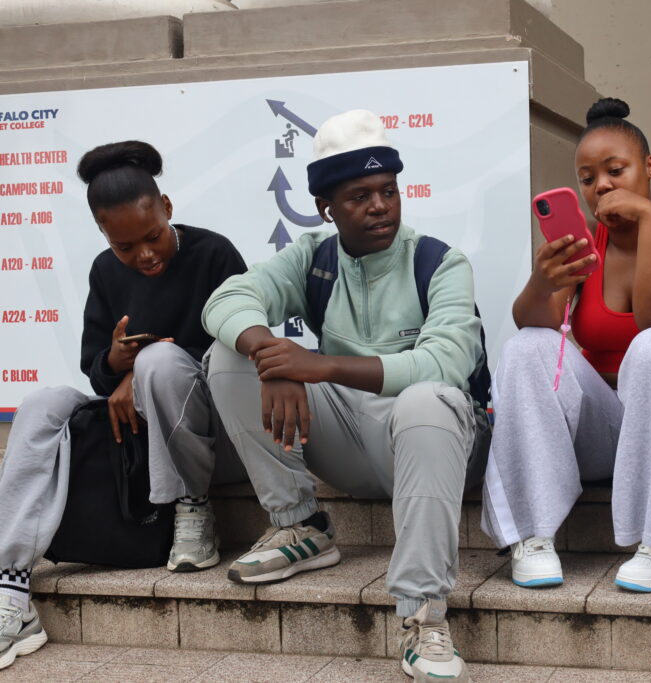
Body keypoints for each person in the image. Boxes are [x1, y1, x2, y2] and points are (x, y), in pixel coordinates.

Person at [202, 109, 489, 683]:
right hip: (352, 441)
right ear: (325, 208)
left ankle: (423, 613)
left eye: (388, 191)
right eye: (359, 196)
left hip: (444, 445)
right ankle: (301, 525)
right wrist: (273, 357)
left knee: (427, 399)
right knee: (228, 356)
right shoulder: (313, 257)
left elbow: (445, 363)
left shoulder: (438, 261)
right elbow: (226, 299)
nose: (380, 206)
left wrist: (319, 364)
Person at [0, 140, 247, 670]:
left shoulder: (214, 254)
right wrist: (115, 360)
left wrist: (141, 369)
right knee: (41, 403)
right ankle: (10, 586)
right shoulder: (105, 271)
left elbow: (236, 355)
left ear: (167, 207)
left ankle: (192, 507)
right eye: (125, 246)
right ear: (104, 234)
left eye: (152, 236)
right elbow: (95, 368)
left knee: (159, 362)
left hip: (210, 435)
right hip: (134, 433)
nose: (144, 255)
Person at [481, 98, 651, 593]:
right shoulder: (586, 247)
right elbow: (533, 323)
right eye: (587, 178)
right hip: (612, 431)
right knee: (527, 346)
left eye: (615, 171)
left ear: (649, 167)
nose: (601, 186)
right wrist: (543, 280)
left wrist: (648, 220)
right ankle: (532, 536)